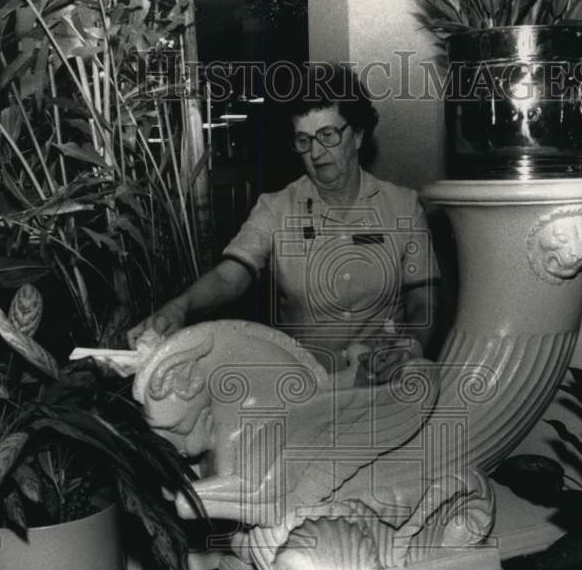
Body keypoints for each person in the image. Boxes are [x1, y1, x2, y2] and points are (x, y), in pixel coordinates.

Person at [127, 63, 441, 381]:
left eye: (327, 135)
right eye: (303, 140)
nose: (316, 152)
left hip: (384, 383)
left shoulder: (403, 205)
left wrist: (406, 348)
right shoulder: (275, 208)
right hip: (308, 388)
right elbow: (229, 277)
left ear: (358, 134)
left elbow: (422, 302)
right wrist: (180, 306)